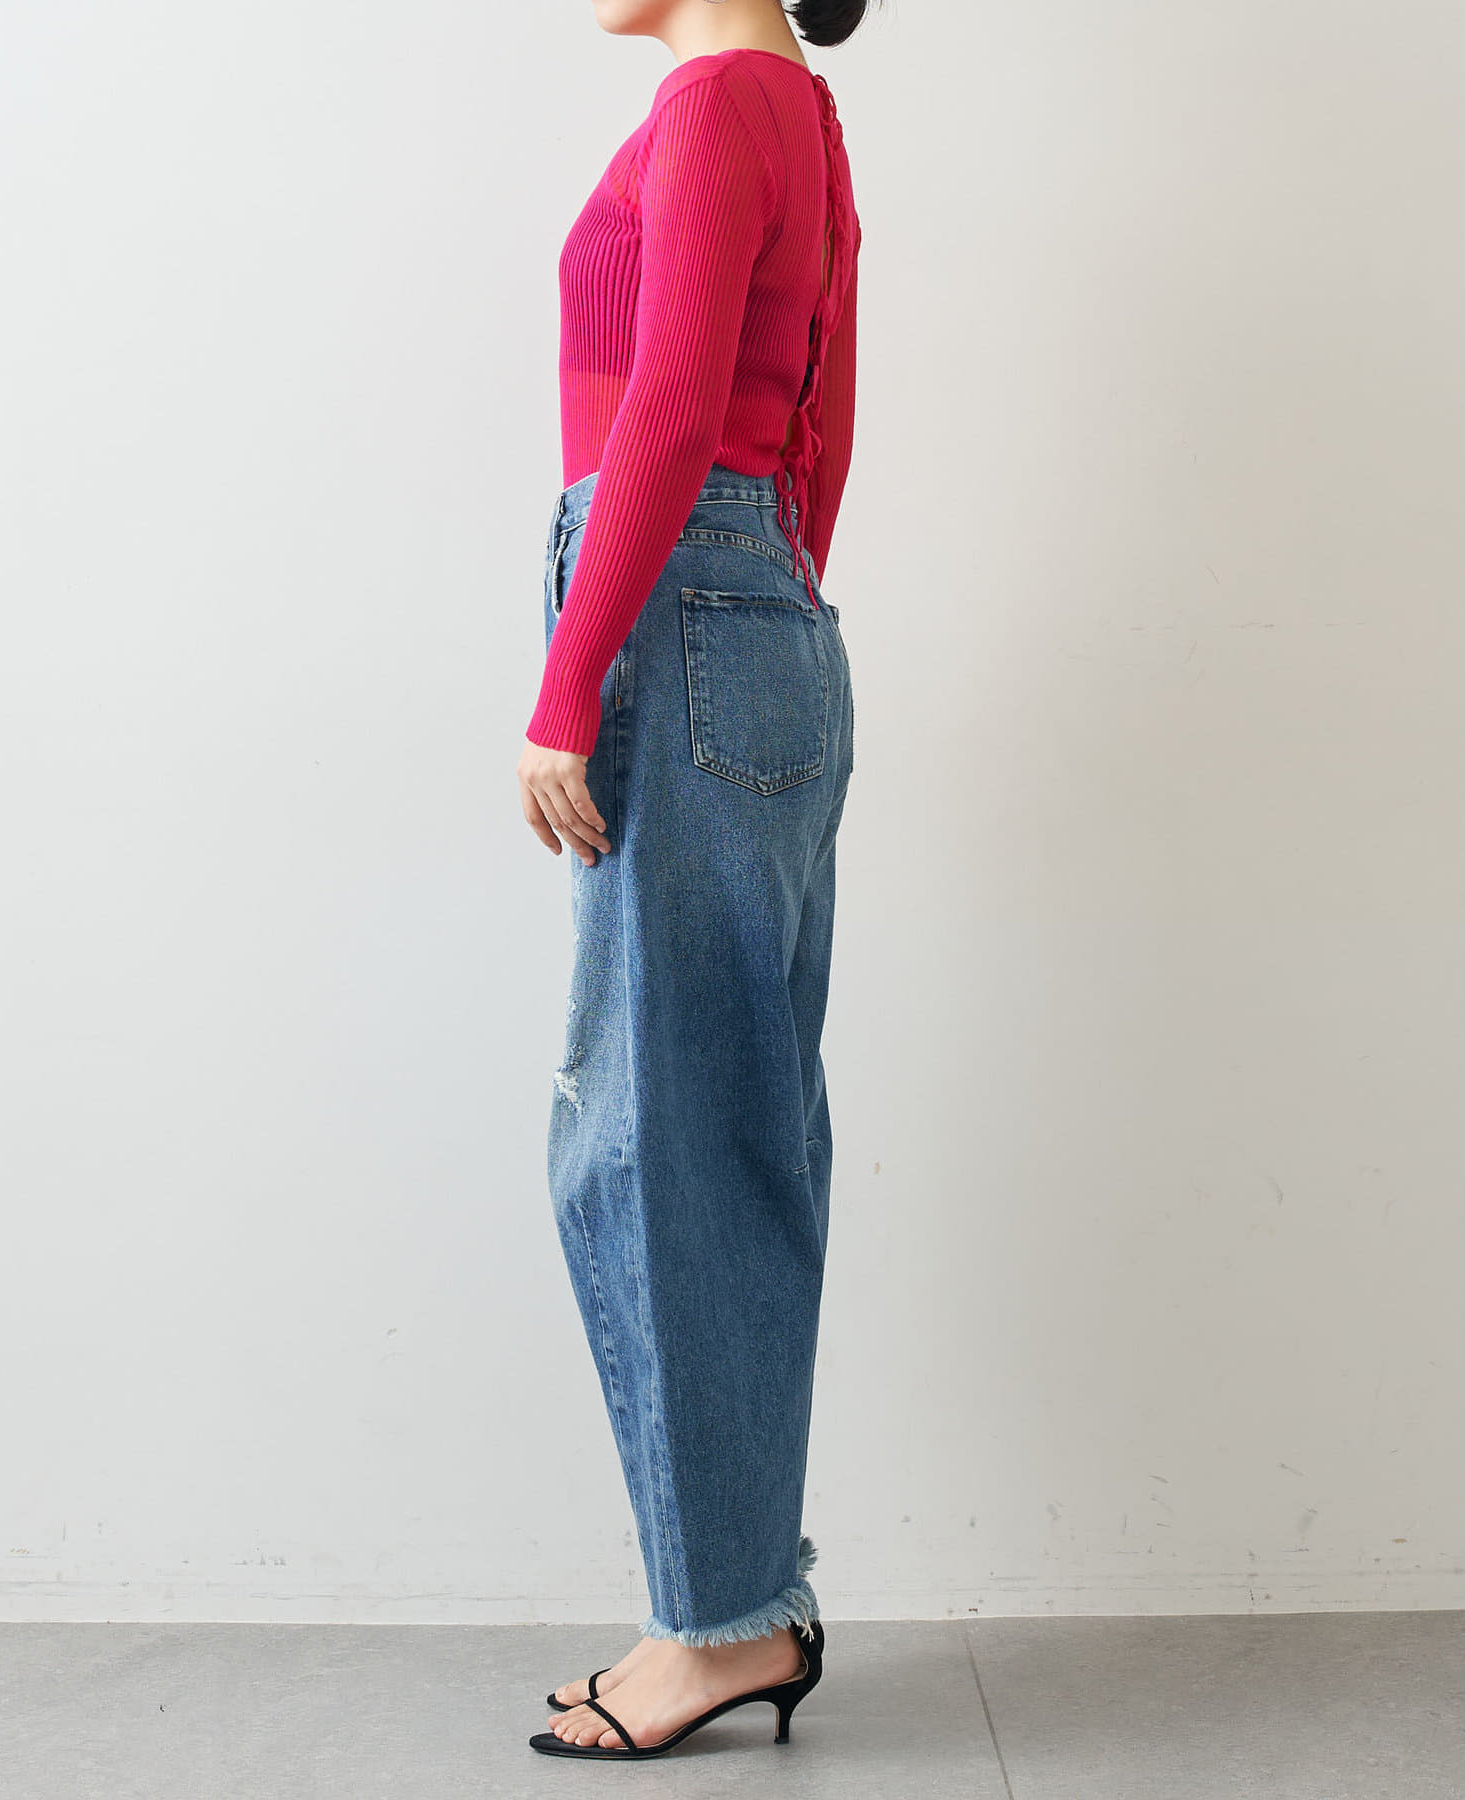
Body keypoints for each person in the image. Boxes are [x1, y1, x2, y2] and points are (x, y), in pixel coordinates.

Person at [516, 0, 868, 1761]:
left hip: (669, 589)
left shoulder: (722, 97)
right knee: (733, 1125)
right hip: (757, 597)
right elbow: (822, 432)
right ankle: (742, 1599)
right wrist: (766, 617)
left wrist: (570, 682)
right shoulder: (802, 114)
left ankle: (716, 1627)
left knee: (651, 1131)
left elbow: (665, 402)